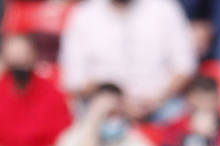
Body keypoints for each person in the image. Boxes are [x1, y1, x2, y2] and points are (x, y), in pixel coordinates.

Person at [59, 0, 196, 121]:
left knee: (184, 115)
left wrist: (157, 100)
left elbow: (185, 66)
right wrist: (119, 102)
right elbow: (74, 80)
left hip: (160, 105)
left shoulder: (164, 8)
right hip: (105, 109)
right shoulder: (84, 14)